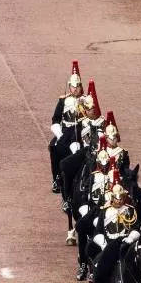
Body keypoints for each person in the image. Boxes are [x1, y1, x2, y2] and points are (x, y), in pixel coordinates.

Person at [48, 61, 83, 194]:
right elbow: (55, 119)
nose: (75, 89)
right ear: (69, 87)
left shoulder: (86, 100)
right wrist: (59, 134)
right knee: (54, 147)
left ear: (80, 87)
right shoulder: (63, 101)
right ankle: (57, 178)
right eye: (73, 86)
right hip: (66, 130)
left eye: (77, 86)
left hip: (80, 130)